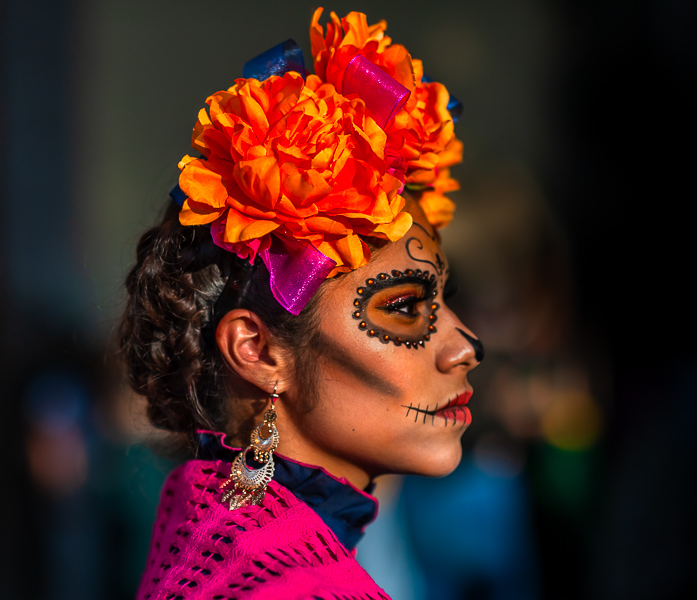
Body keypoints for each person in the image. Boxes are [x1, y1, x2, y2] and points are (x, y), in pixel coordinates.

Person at [120, 8, 482, 598]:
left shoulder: (218, 538)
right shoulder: (288, 584)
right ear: (258, 350)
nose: (465, 346)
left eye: (446, 300)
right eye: (404, 307)